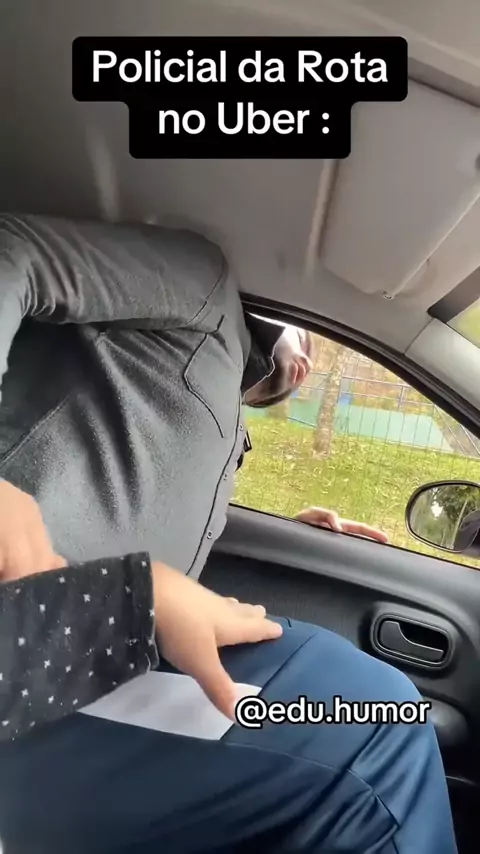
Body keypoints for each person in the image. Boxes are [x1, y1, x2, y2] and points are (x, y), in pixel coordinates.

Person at [0, 214, 456, 853]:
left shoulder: (221, 427)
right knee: (374, 721)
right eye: (305, 344)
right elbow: (11, 249)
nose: (307, 367)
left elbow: (142, 522)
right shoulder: (203, 283)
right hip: (37, 647)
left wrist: (296, 533)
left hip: (87, 642)